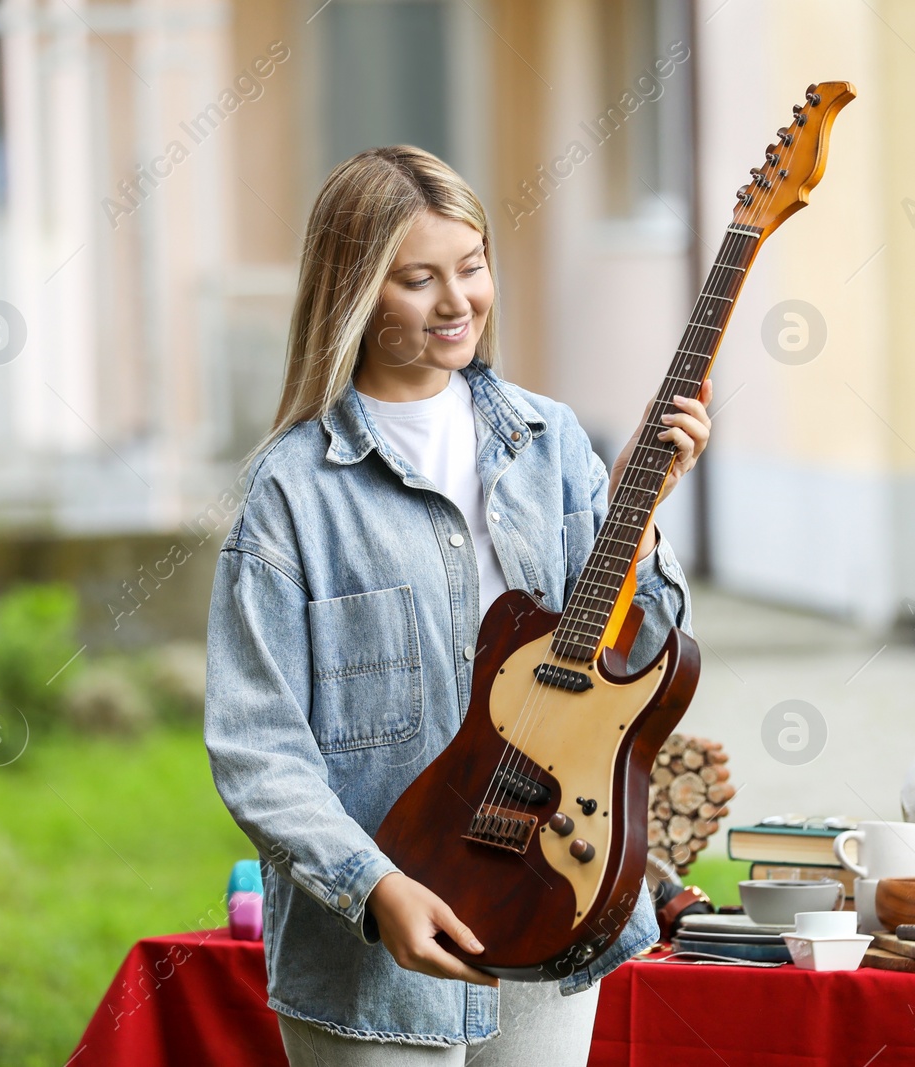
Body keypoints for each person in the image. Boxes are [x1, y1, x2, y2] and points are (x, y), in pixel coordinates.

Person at [204, 144, 712, 1066]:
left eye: (471, 267)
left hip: (556, 903)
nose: (456, 302)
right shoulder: (292, 494)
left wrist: (641, 512)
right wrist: (374, 886)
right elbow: (256, 744)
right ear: (355, 292)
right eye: (417, 279)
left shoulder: (552, 443)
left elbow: (634, 658)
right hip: (374, 968)